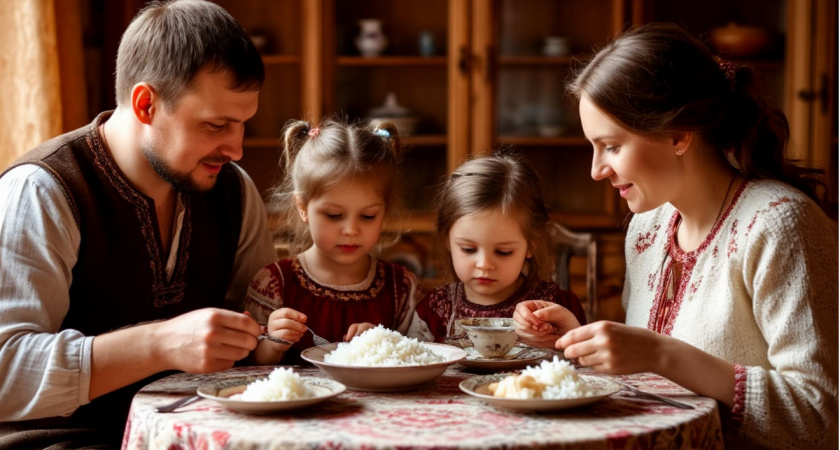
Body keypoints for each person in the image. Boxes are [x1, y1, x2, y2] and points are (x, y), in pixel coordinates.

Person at [514, 23, 837, 449]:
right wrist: (581, 341)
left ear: (678, 135)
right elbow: (652, 386)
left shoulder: (779, 225)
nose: (596, 170)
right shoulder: (648, 227)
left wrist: (661, 354)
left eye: (611, 146)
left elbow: (822, 419)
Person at [0, 1, 278, 447]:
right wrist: (159, 344)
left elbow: (261, 330)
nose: (236, 148)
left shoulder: (234, 191)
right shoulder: (42, 190)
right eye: (216, 125)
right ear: (146, 103)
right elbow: (5, 372)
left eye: (243, 124)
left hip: (202, 435)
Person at [243, 118, 432, 365]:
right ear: (302, 207)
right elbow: (250, 366)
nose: (351, 230)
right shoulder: (273, 284)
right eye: (333, 215)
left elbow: (421, 357)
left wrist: (383, 341)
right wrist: (273, 342)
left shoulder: (401, 288)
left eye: (368, 216)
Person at [415, 153, 587, 342]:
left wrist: (557, 343)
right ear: (447, 240)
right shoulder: (433, 309)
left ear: (531, 243)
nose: (484, 264)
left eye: (503, 252)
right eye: (468, 249)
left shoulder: (557, 308)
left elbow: (585, 365)